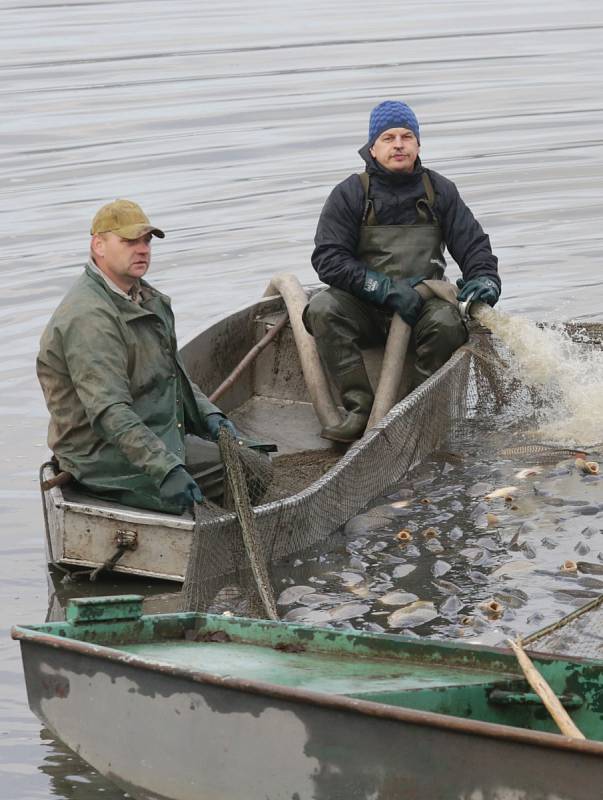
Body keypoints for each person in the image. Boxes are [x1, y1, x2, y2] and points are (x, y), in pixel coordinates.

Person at [304, 100, 501, 443]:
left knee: (447, 323)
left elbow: (474, 247)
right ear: (372, 148)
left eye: (407, 136)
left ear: (418, 145)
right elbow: (328, 258)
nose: (399, 144)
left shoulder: (439, 191)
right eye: (388, 137)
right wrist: (383, 289)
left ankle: (415, 411)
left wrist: (485, 279)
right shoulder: (350, 193)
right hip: (365, 306)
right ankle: (360, 408)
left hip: (422, 308)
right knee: (322, 308)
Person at [37, 199, 239, 515]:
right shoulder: (89, 317)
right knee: (249, 469)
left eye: (146, 241)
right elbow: (110, 412)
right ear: (99, 245)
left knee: (247, 455)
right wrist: (166, 468)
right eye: (129, 241)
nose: (142, 249)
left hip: (148, 435)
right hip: (101, 458)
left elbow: (173, 377)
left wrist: (209, 414)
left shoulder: (147, 300)